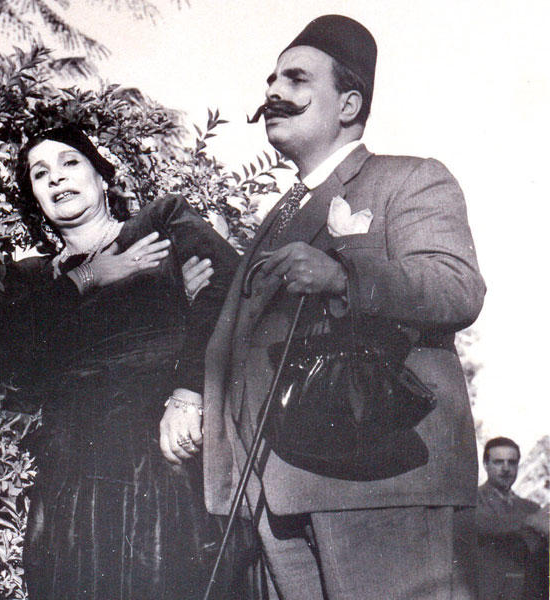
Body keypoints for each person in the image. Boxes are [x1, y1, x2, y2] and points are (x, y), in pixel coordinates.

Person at [202, 14, 486, 600]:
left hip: (377, 484)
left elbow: (457, 286)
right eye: (271, 79)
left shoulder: (410, 178)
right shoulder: (279, 214)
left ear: (349, 104)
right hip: (275, 496)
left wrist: (343, 276)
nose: (273, 92)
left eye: (297, 79)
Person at [0, 125, 256, 599]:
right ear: (34, 198)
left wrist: (189, 391)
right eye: (40, 174)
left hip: (159, 453)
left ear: (102, 176)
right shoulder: (33, 279)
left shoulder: (161, 223)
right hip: (72, 470)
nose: (56, 178)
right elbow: (14, 355)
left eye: (70, 163)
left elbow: (232, 288)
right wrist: (92, 276)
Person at [476, 437, 548, 599]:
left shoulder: (531, 507)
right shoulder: (475, 501)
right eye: (498, 462)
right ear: (486, 465)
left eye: (512, 462)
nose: (506, 468)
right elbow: (485, 524)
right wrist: (532, 521)